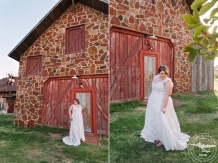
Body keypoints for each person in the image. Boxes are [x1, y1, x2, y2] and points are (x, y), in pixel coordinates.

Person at [140, 65, 190, 151]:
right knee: (154, 118)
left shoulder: (168, 81)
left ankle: (163, 139)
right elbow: (154, 89)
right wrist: (151, 100)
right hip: (154, 100)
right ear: (158, 73)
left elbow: (168, 95)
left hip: (163, 101)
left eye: (165, 73)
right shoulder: (156, 78)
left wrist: (163, 107)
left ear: (167, 73)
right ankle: (156, 136)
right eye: (161, 73)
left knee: (162, 119)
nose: (163, 75)